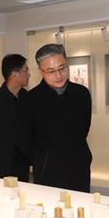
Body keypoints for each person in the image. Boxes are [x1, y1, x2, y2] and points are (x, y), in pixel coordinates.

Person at [19, 43, 92, 192]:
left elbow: (83, 130)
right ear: (40, 71)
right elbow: (23, 140)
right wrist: (42, 159)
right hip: (48, 171)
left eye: (62, 68)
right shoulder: (30, 100)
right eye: (51, 71)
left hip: (79, 167)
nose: (59, 75)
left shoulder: (81, 93)